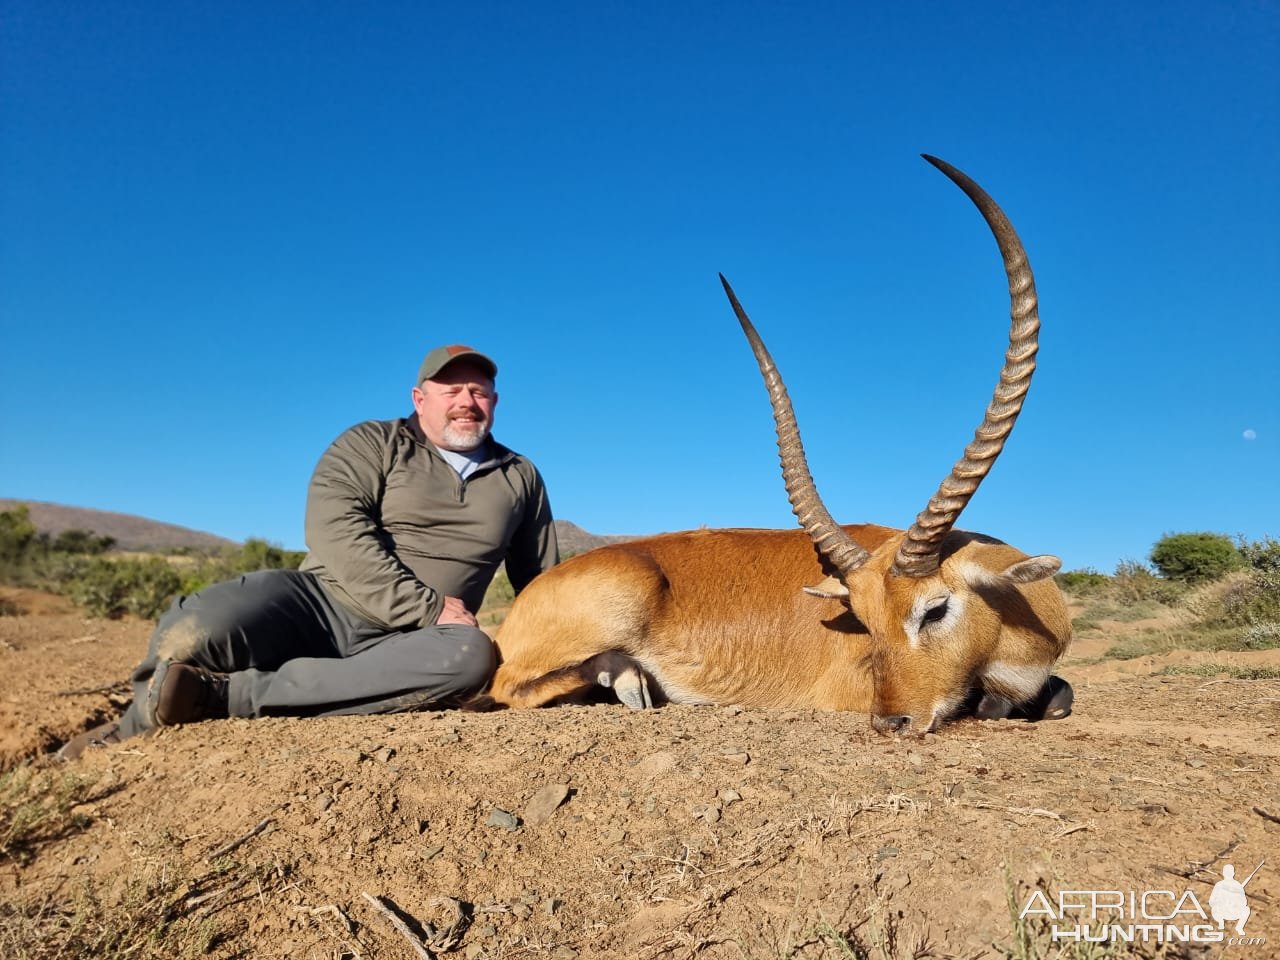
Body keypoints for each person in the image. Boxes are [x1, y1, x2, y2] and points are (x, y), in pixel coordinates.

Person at [58, 344, 558, 759]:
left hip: (416, 642)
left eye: (478, 391)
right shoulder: (371, 442)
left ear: (495, 400)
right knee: (204, 623)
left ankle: (226, 696)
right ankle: (135, 722)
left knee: (469, 659)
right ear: (419, 397)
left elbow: (542, 579)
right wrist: (426, 605)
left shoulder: (520, 476)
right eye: (451, 390)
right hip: (320, 601)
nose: (466, 401)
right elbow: (334, 527)